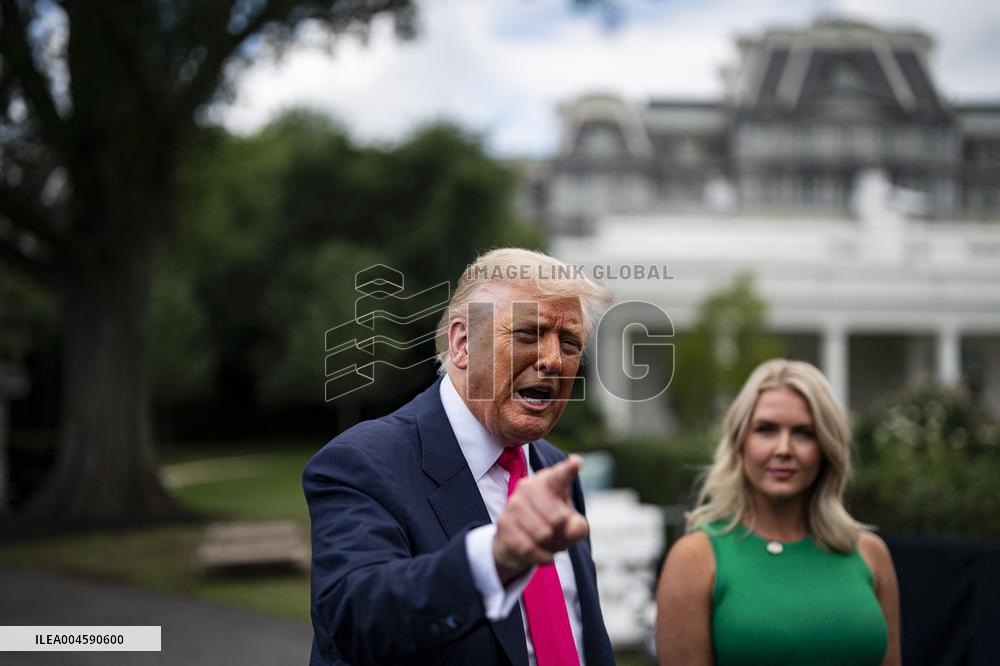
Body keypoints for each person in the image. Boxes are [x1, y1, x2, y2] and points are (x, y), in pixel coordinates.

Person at [304, 248, 616, 666]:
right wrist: (495, 558)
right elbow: (357, 621)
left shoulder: (556, 470)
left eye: (570, 342)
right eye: (528, 333)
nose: (553, 360)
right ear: (463, 343)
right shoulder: (361, 463)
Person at [655, 359, 901, 666]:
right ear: (740, 442)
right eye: (766, 429)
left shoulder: (870, 553)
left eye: (804, 433)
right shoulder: (695, 558)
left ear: (826, 447)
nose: (783, 448)